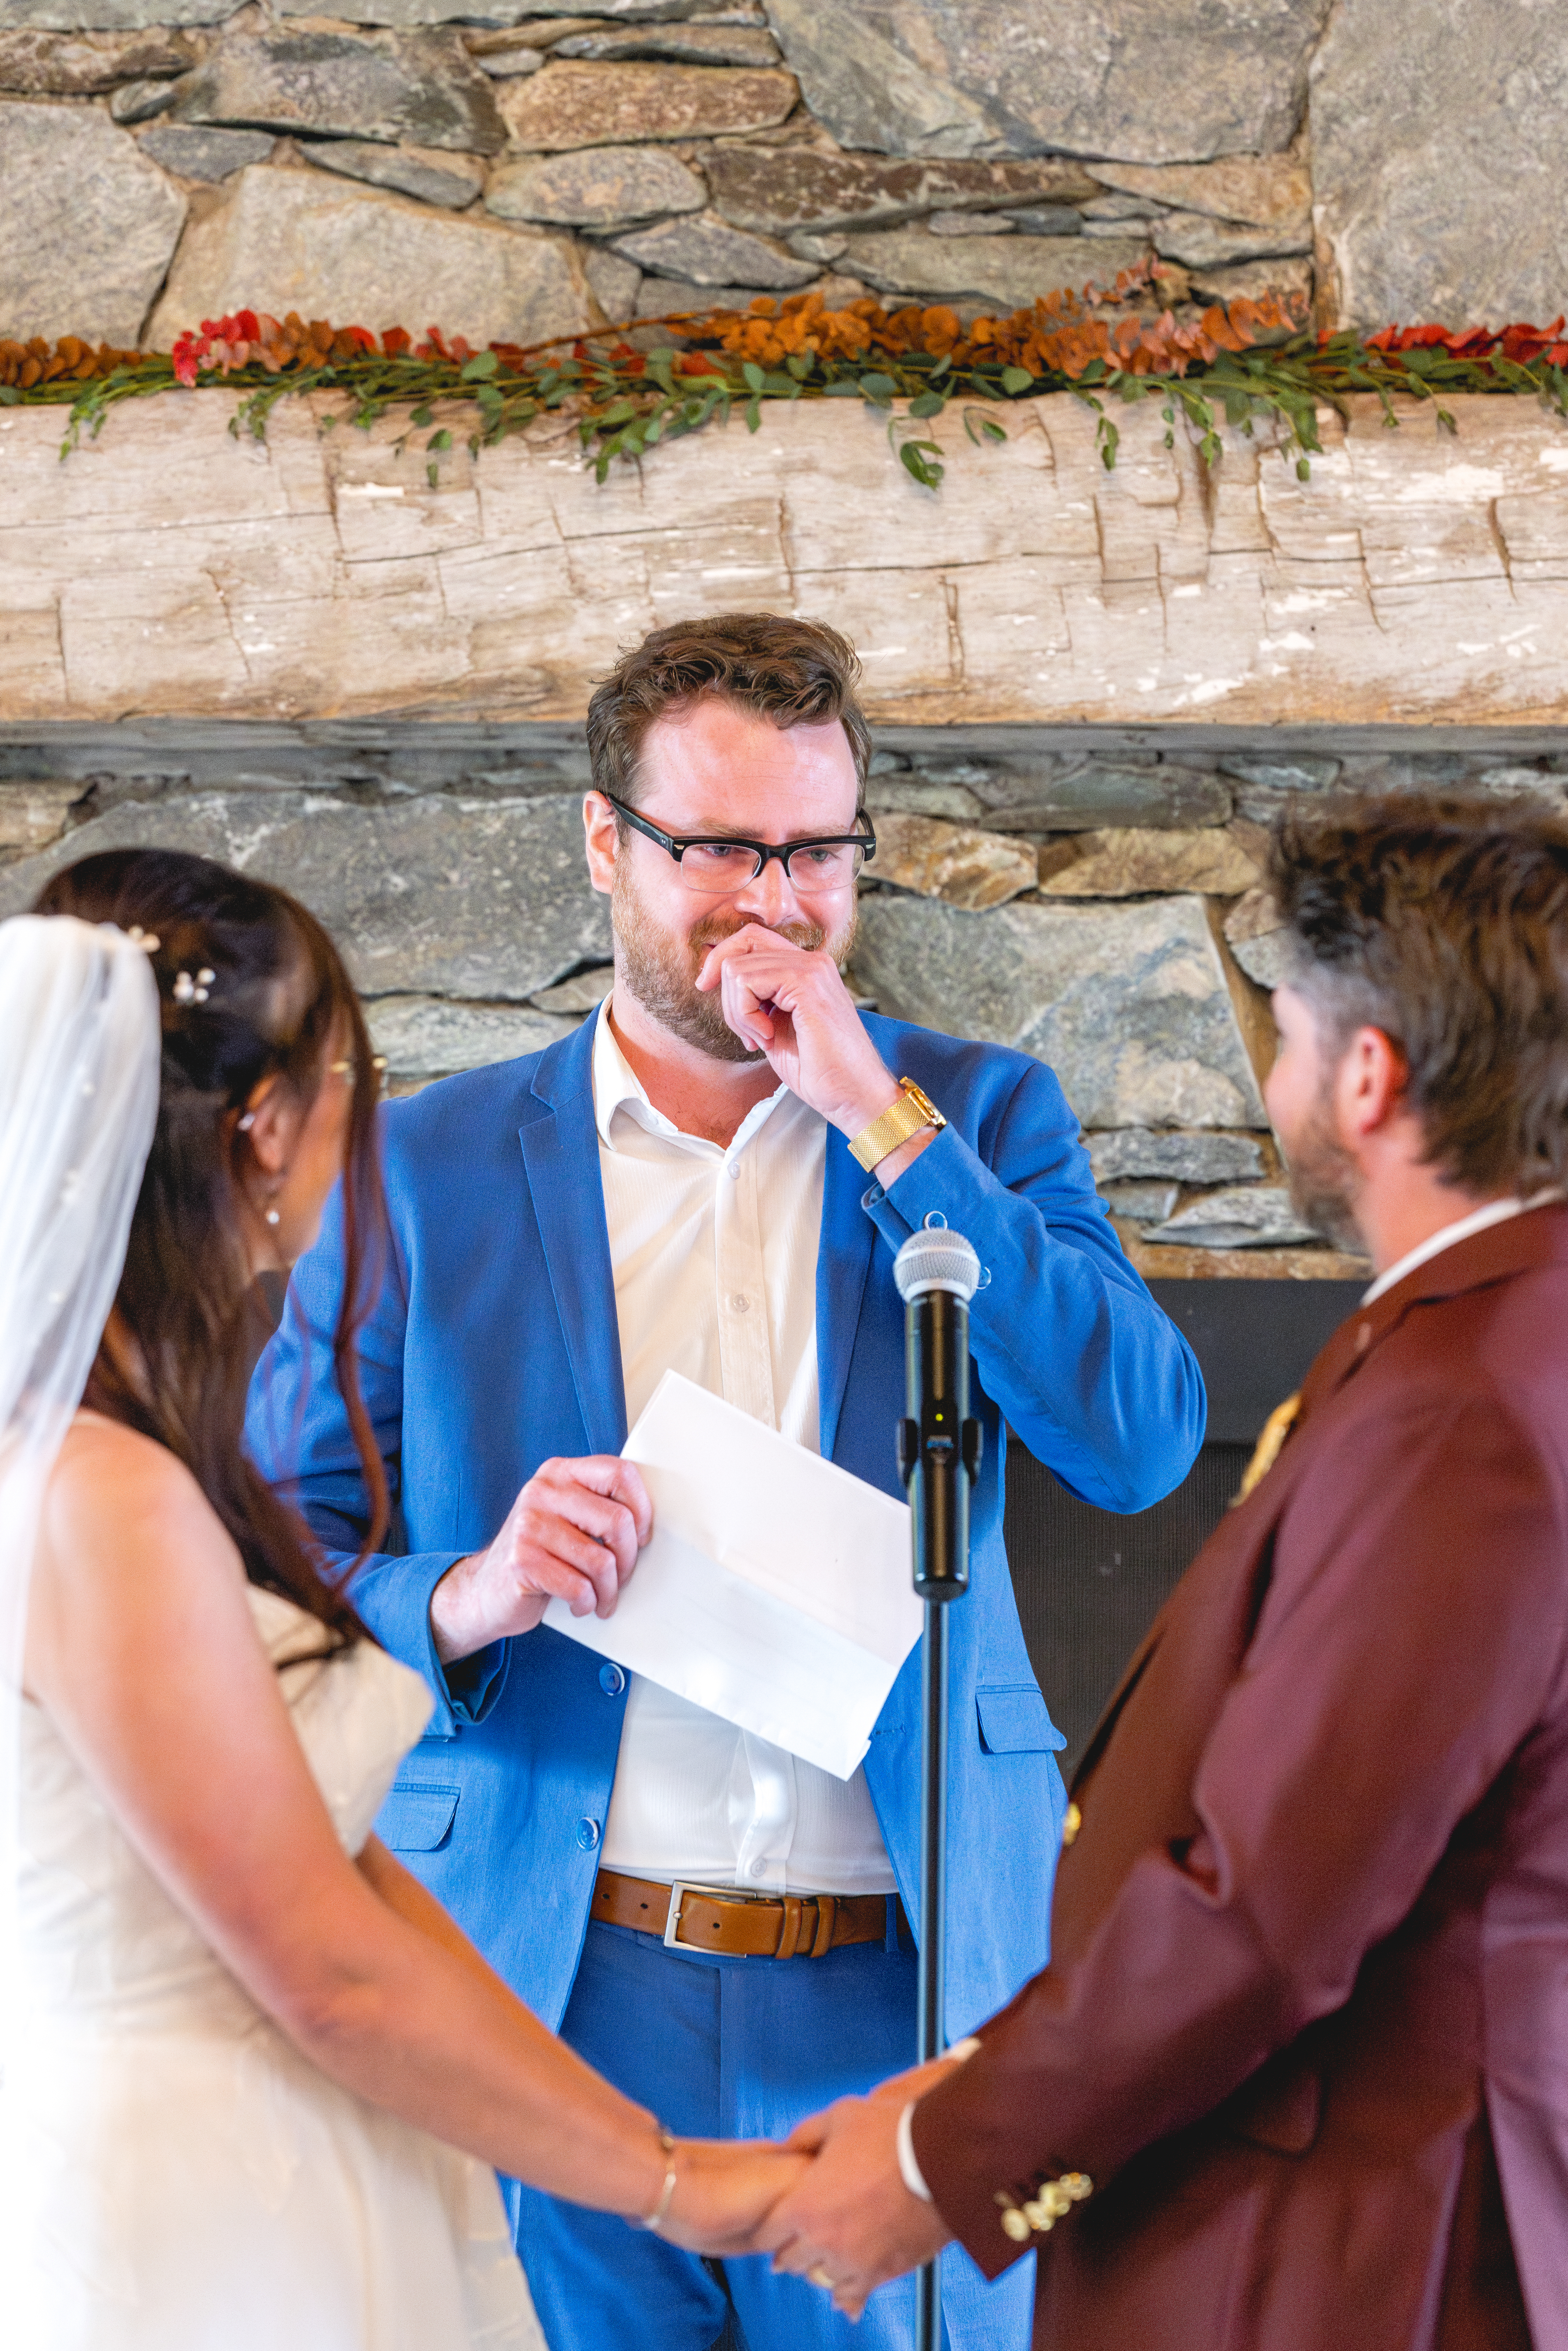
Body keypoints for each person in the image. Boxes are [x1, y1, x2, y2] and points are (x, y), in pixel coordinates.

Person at [249, 611, 1206, 2351]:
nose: (770, 899)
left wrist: (880, 1119)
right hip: (550, 1978)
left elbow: (1136, 1443)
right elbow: (266, 1555)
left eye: (814, 850)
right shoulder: (417, 1163)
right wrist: (473, 1587)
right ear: (606, 842)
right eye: (714, 849)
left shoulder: (979, 1114)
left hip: (903, 1983)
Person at [764, 794, 1568, 2350]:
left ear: (1372, 1078)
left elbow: (1268, 1908)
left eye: (1288, 1027)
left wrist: (939, 2164)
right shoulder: (1496, 1342)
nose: (1270, 1068)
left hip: (1373, 2257)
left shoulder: (1463, 1407)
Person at [0, 851, 803, 2351]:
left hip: (288, 2151)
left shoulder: (138, 1458)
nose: (364, 1124)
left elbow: (363, 1885)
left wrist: (662, 2157)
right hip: (189, 2208)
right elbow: (330, 1968)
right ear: (259, 1135)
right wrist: (678, 2184)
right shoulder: (97, 1498)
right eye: (345, 1077)